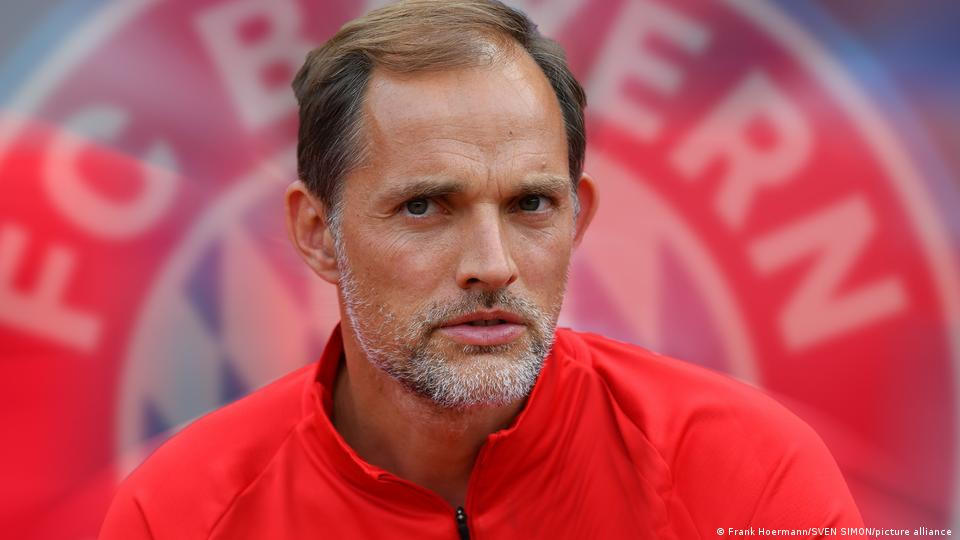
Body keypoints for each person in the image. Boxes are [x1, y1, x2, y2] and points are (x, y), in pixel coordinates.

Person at [100, 1, 865, 538]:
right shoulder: (178, 515)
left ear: (577, 218)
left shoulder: (747, 472)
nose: (492, 266)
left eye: (531, 204)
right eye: (425, 207)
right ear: (317, 233)